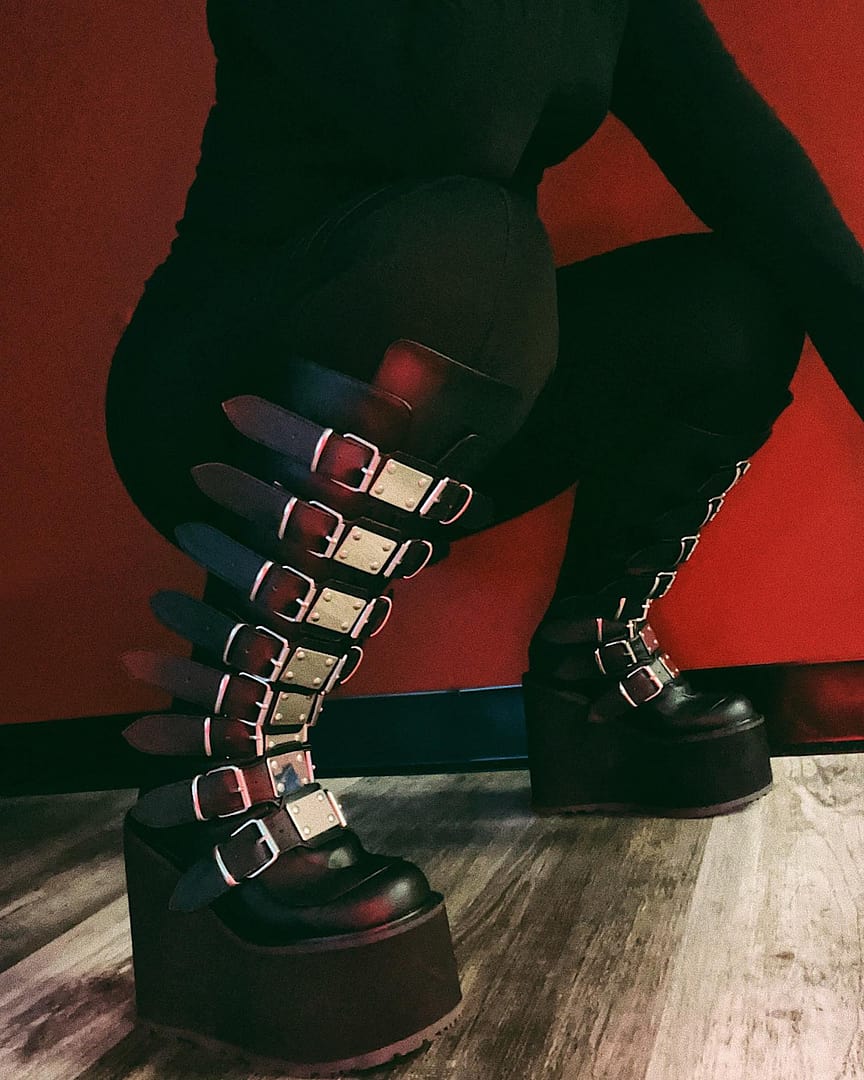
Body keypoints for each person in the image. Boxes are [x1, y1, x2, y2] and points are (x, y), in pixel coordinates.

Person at [105, 0, 864, 1071]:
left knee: (737, 301)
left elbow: (758, 179)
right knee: (478, 240)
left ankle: (590, 680)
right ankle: (222, 775)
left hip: (442, 378)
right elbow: (456, 114)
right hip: (226, 387)